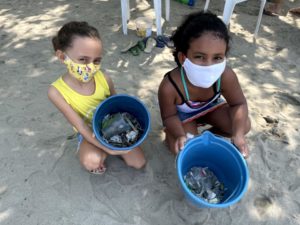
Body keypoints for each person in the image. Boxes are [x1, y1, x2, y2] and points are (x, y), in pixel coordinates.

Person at [48, 21, 146, 174]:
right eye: (83, 59)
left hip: (114, 127)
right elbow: (80, 126)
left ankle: (105, 150)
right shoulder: (56, 92)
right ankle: (96, 150)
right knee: (92, 161)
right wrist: (108, 148)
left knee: (138, 163)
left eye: (97, 61)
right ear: (62, 57)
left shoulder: (104, 78)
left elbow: (117, 106)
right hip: (89, 132)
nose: (90, 67)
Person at [158, 11, 251, 158]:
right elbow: (169, 117)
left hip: (211, 109)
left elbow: (239, 103)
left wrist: (238, 136)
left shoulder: (226, 76)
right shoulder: (169, 86)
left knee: (244, 125)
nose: (209, 65)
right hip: (183, 118)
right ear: (183, 57)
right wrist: (179, 135)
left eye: (217, 57)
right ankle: (183, 136)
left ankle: (207, 137)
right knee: (186, 148)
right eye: (200, 57)